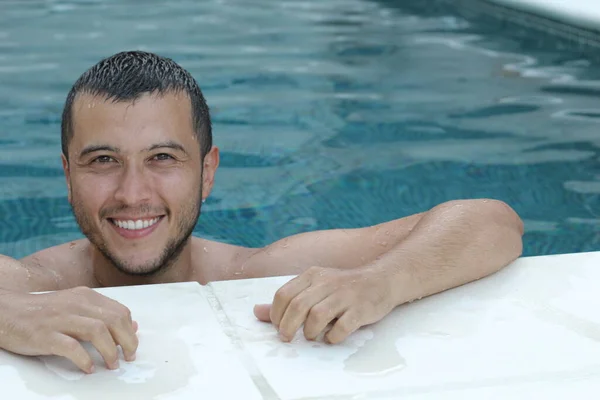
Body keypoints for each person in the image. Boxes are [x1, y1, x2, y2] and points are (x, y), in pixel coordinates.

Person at [0, 51, 524, 375]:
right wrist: (11, 314)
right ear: (67, 176)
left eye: (163, 158)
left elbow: (491, 220)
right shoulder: (33, 284)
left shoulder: (254, 273)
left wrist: (379, 283)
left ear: (207, 172)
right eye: (103, 161)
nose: (133, 192)